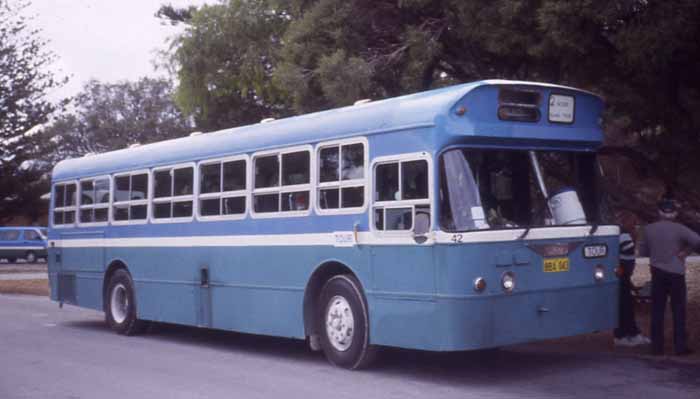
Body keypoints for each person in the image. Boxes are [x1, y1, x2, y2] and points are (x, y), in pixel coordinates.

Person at [638, 199, 700, 356]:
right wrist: (685, 252)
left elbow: (643, 252)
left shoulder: (648, 229)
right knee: (678, 310)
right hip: (676, 273)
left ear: (659, 212)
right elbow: (697, 242)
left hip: (657, 273)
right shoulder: (680, 229)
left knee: (657, 310)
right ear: (675, 213)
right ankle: (680, 347)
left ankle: (656, 347)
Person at [613, 220, 650, 347]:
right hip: (622, 274)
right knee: (624, 306)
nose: (635, 226)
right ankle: (622, 335)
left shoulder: (623, 235)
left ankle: (632, 333)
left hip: (623, 275)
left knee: (626, 305)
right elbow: (627, 255)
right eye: (632, 224)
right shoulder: (625, 237)